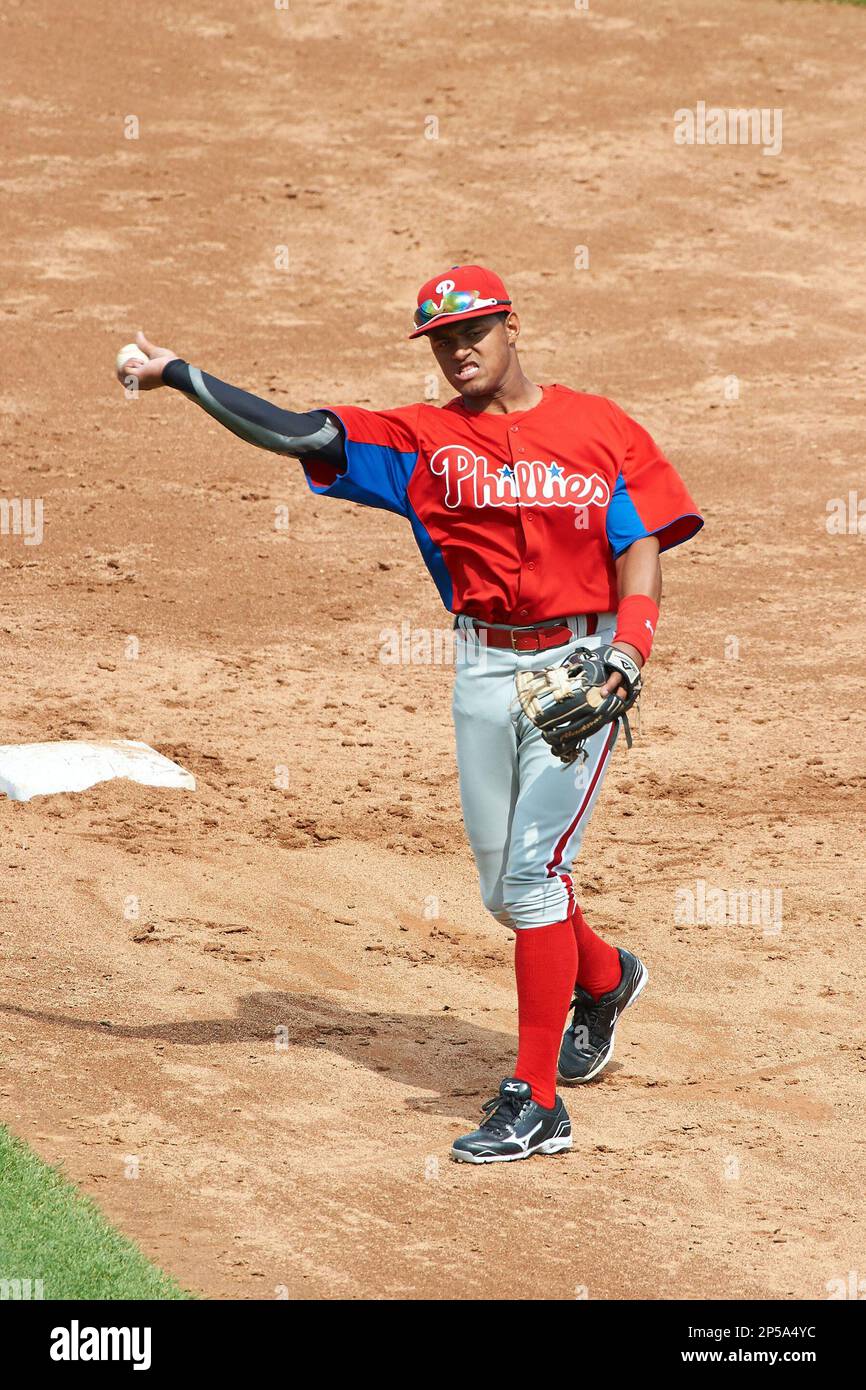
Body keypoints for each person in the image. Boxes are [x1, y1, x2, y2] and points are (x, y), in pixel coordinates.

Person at [116, 263, 703, 1165]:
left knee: (533, 880)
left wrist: (628, 653)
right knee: (503, 892)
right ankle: (605, 975)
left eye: (473, 332)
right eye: (441, 341)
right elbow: (296, 431)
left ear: (514, 327)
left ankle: (536, 1101)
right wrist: (184, 376)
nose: (458, 350)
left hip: (583, 662)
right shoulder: (419, 440)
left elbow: (641, 547)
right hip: (480, 669)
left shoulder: (600, 426)